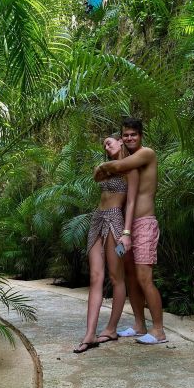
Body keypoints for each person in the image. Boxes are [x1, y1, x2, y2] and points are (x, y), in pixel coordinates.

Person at [94, 118, 167, 344]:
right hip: (124, 225)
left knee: (144, 277)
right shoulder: (127, 160)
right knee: (131, 277)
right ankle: (139, 324)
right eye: (125, 135)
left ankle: (158, 330)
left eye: (133, 134)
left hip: (144, 223)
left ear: (141, 135)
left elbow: (116, 167)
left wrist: (101, 167)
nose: (129, 138)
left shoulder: (146, 154)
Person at [73, 134, 138, 353]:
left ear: (121, 141)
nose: (106, 146)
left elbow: (131, 203)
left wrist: (126, 233)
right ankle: (90, 334)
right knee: (95, 277)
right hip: (97, 219)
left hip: (115, 222)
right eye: (104, 145)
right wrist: (104, 165)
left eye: (109, 142)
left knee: (116, 277)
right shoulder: (107, 169)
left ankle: (111, 329)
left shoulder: (130, 169)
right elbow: (96, 176)